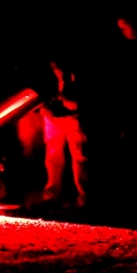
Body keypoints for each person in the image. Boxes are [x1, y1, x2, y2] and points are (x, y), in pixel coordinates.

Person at [40, 59, 88, 207]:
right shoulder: (48, 69)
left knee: (80, 157)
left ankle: (86, 198)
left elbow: (82, 97)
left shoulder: (76, 68)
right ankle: (52, 197)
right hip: (54, 117)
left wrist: (68, 102)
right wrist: (45, 107)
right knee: (53, 157)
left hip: (73, 116)